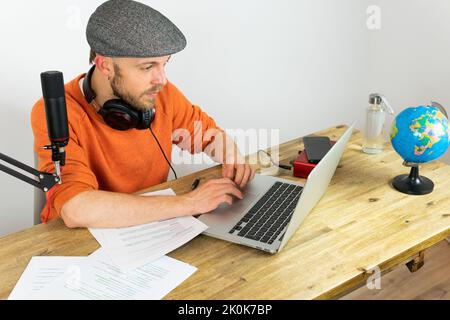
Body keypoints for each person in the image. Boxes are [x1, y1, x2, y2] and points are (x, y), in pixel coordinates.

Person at [31, 0, 255, 228]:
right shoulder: (56, 112)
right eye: (147, 67)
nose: (162, 79)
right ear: (105, 65)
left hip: (149, 231)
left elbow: (209, 135)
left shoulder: (159, 93)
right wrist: (189, 203)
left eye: (164, 64)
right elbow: (77, 209)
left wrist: (231, 157)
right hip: (77, 244)